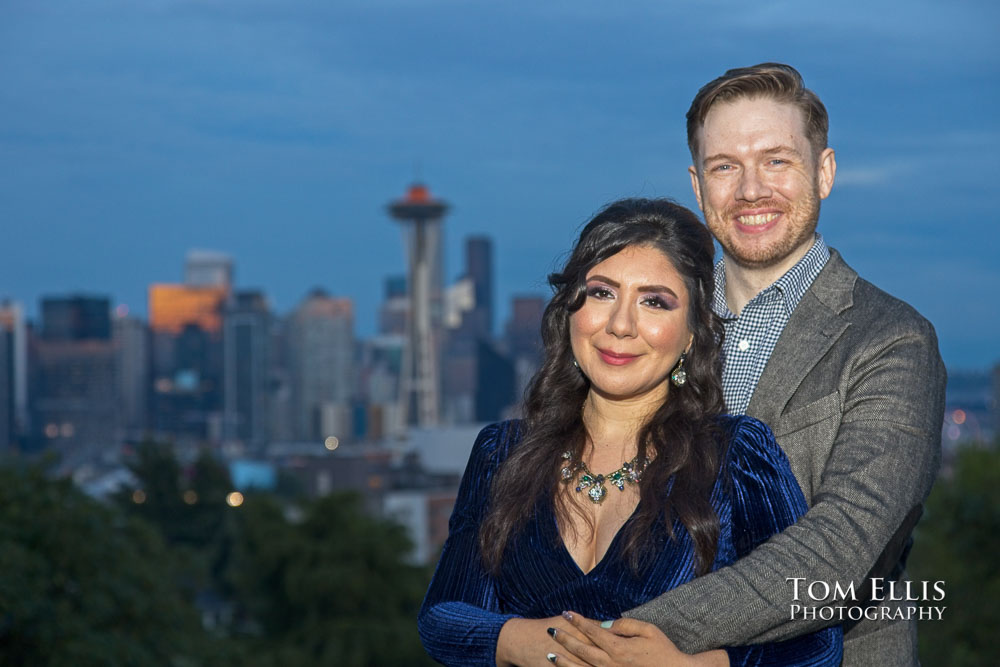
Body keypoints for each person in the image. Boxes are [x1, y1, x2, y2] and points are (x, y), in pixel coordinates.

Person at [555, 64, 946, 666]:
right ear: (697, 185)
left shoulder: (892, 341)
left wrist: (606, 636)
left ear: (825, 172)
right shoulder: (654, 330)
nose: (750, 190)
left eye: (777, 161)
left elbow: (842, 549)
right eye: (725, 166)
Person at [418, 198, 843, 666]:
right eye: (601, 293)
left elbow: (816, 640)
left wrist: (690, 666)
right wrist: (517, 640)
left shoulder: (737, 457)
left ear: (692, 332)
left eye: (654, 302)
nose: (620, 325)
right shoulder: (502, 452)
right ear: (570, 310)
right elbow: (441, 616)